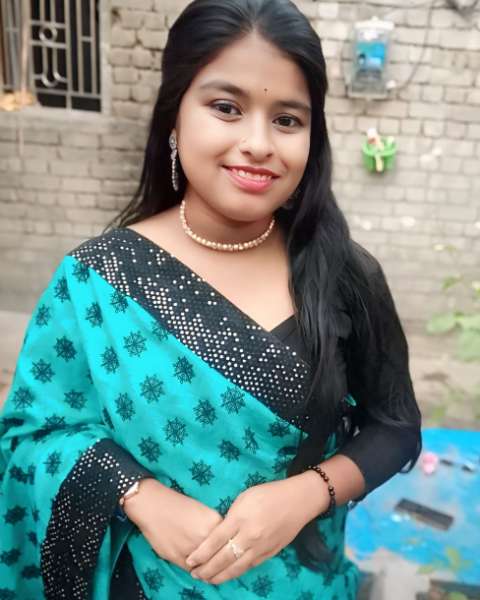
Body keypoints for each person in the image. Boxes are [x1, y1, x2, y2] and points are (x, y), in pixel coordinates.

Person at [0, 0, 422, 598]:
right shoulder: (95, 279)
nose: (259, 143)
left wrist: (308, 493)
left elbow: (395, 426)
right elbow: (32, 438)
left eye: (287, 119)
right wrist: (138, 493)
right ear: (174, 117)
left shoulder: (343, 275)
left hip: (301, 583)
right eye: (226, 108)